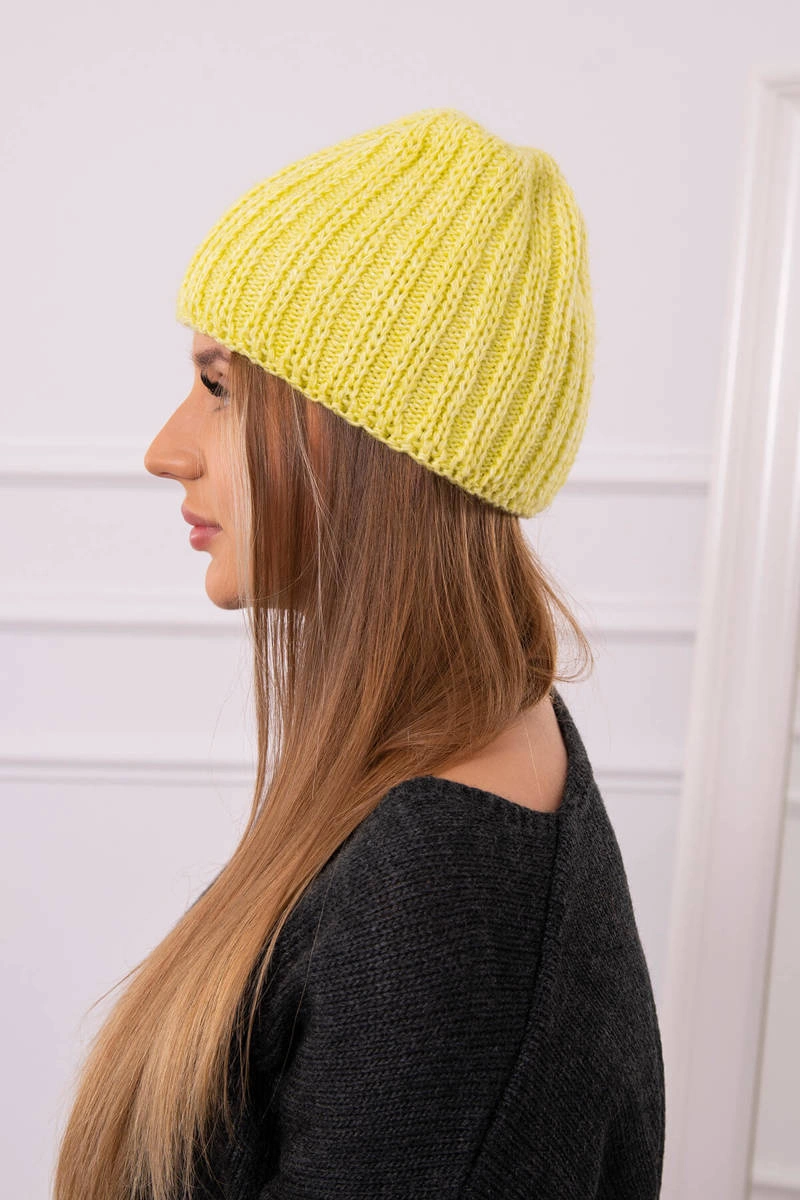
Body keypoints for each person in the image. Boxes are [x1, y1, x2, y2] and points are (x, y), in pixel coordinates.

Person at [53, 107, 665, 1199]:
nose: (165, 450)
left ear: (379, 441)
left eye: (221, 388)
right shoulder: (473, 772)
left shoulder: (444, 912)